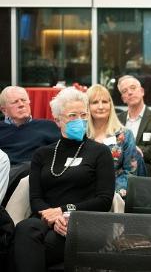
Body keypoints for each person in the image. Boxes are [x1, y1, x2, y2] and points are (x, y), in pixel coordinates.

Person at [11, 87, 115, 272]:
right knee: (25, 229)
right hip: (44, 221)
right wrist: (51, 216)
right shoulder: (42, 154)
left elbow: (104, 200)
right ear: (58, 120)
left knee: (30, 248)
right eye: (72, 115)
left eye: (83, 114)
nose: (79, 120)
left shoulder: (100, 152)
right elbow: (35, 199)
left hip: (81, 220)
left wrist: (64, 211)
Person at [86, 84, 146, 197]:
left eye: (104, 101)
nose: (101, 106)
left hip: (117, 194)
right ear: (87, 107)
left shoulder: (125, 135)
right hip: (85, 193)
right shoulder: (82, 135)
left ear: (110, 105)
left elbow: (131, 172)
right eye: (94, 102)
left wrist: (111, 193)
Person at [117, 75, 151, 176]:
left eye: (133, 88)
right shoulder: (117, 119)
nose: (130, 93)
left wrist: (130, 150)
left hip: (143, 170)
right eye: (125, 91)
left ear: (142, 91)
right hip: (119, 170)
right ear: (123, 99)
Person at [0, 86, 59, 165]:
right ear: (4, 110)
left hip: (37, 170)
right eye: (15, 102)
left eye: (24, 100)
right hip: (8, 172)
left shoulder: (49, 126)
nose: (21, 104)